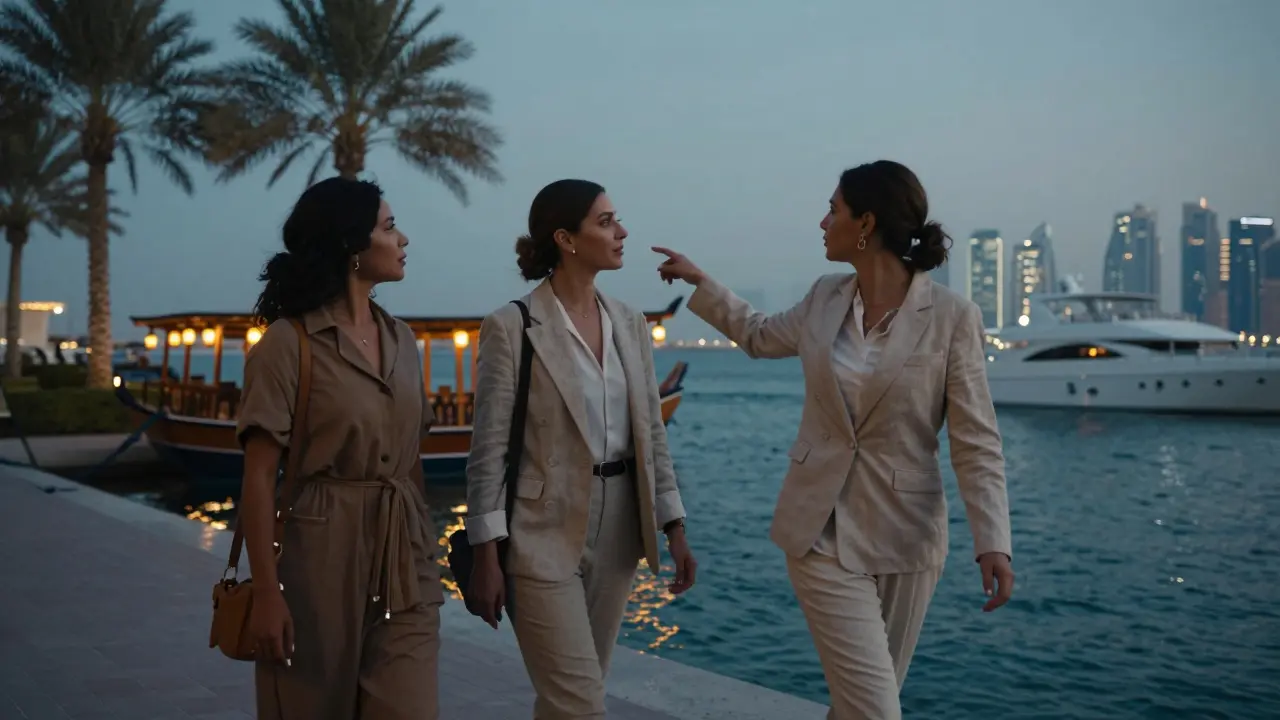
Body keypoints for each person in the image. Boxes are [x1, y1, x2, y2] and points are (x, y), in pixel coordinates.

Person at [654, 160, 1014, 719]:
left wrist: (993, 539)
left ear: (865, 223)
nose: (823, 222)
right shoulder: (825, 297)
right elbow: (756, 334)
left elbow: (976, 440)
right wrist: (703, 284)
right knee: (876, 709)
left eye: (833, 210)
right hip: (818, 530)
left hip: (907, 539)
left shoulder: (952, 317)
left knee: (861, 705)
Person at [464, 178, 698, 719]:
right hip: (541, 525)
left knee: (577, 691)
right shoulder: (513, 325)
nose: (622, 232)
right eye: (606, 221)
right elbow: (488, 451)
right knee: (580, 701)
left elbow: (651, 437)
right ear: (566, 239)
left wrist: (675, 529)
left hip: (620, 527)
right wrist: (485, 557)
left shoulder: (630, 323)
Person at [236, 177, 441, 720]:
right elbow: (259, 478)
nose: (403, 241)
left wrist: (431, 548)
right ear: (352, 245)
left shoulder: (403, 340)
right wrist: (265, 592)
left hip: (405, 554)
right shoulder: (287, 344)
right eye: (389, 227)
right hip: (317, 556)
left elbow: (411, 455)